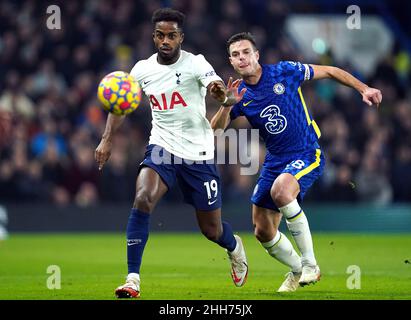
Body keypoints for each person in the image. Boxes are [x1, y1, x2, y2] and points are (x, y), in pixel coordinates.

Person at [211, 32, 382, 292]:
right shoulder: (240, 93)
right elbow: (216, 130)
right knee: (262, 230)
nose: (241, 58)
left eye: (246, 52)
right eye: (235, 54)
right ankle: (297, 270)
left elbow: (331, 71)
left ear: (256, 55)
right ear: (231, 62)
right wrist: (225, 104)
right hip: (275, 161)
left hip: (305, 152)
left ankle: (310, 264)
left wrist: (364, 88)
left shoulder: (285, 71)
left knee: (282, 190)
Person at [95, 8, 248, 299]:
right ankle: (132, 279)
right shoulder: (141, 70)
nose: (165, 40)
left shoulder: (196, 64)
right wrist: (106, 140)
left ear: (181, 37)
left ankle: (234, 247)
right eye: (160, 35)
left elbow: (214, 86)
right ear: (154, 36)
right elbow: (120, 105)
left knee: (212, 230)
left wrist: (223, 97)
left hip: (199, 155)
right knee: (142, 198)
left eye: (171, 35)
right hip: (162, 149)